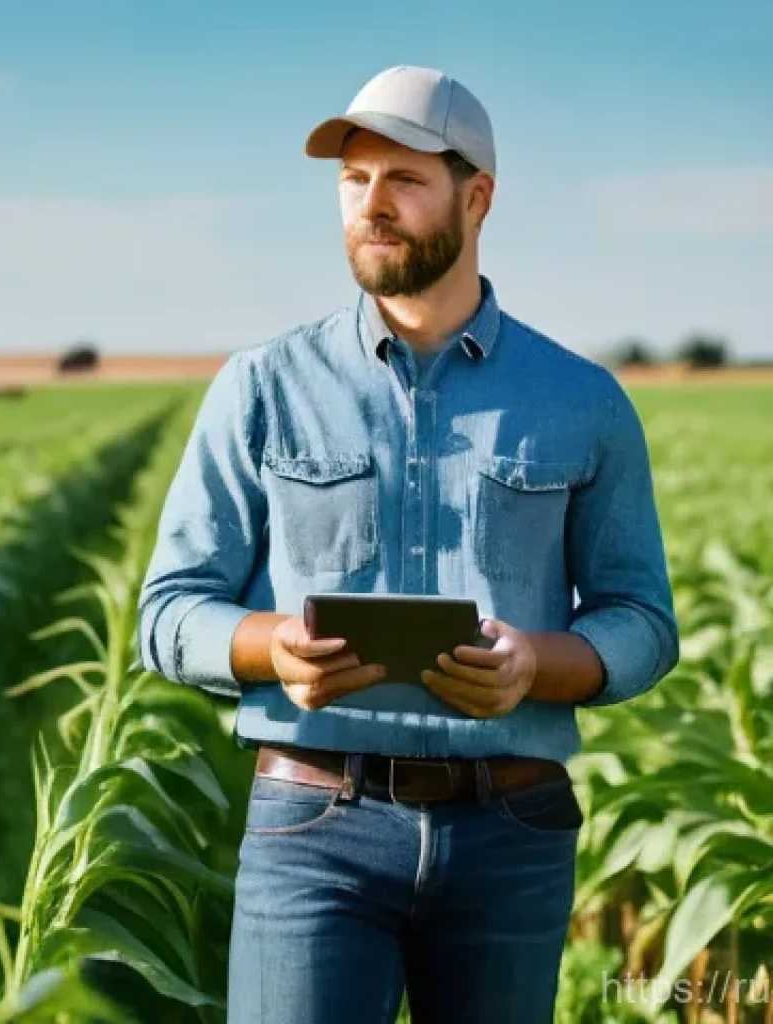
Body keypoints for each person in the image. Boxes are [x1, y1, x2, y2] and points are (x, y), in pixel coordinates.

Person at [136, 64, 679, 1024]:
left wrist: (539, 664)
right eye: (354, 180)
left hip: (513, 831)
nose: (371, 204)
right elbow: (170, 610)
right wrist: (273, 651)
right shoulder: (261, 387)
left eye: (403, 179)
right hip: (312, 823)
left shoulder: (584, 401)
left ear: (478, 197)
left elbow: (643, 621)